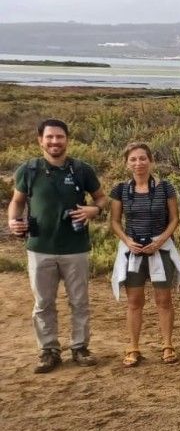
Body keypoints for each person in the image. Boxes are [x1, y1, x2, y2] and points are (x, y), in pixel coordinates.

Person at [8, 119, 108, 373]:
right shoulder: (28, 170)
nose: (55, 142)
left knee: (80, 301)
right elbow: (17, 201)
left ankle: (80, 347)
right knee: (43, 302)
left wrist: (93, 210)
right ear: (40, 140)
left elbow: (102, 198)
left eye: (60, 137)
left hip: (75, 247)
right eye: (50, 137)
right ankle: (49, 350)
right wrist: (13, 220)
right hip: (39, 247)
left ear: (67, 140)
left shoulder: (81, 170)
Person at [109, 142, 180, 366]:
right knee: (134, 301)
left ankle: (167, 345)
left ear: (151, 161)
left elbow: (174, 219)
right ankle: (133, 347)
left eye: (143, 158)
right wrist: (127, 241)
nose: (138, 163)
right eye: (133, 159)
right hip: (133, 250)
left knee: (164, 299)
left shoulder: (165, 188)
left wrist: (161, 240)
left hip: (160, 249)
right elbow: (115, 221)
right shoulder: (121, 190)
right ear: (127, 163)